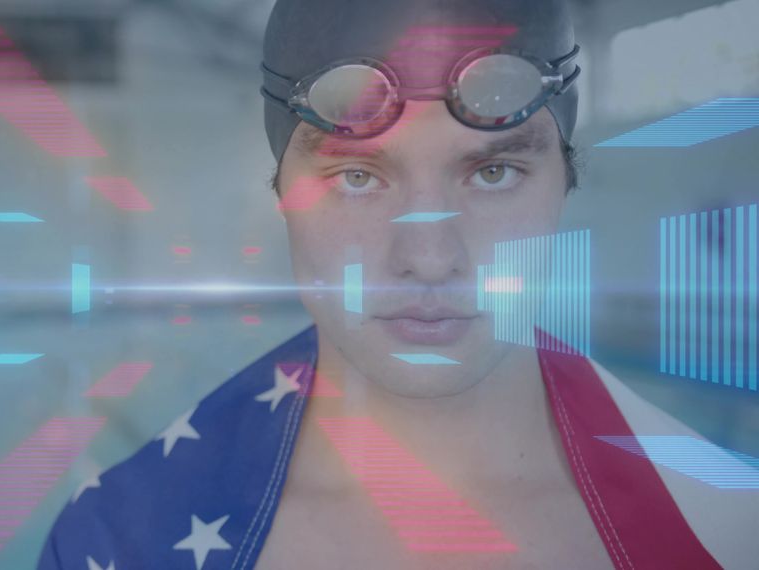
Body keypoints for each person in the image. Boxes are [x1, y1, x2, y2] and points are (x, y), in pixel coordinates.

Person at [37, 0, 757, 568]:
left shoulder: (726, 527)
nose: (430, 257)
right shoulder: (121, 542)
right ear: (281, 192)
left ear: (564, 182)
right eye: (358, 176)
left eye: (493, 172)